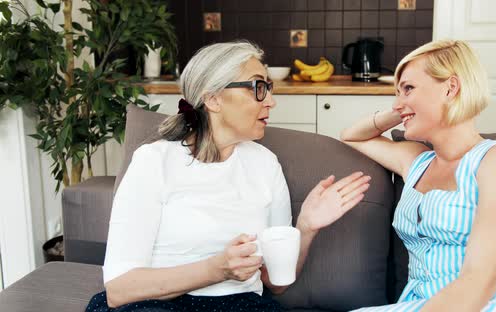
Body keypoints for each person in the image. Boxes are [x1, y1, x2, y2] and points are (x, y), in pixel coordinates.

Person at [85, 41, 371, 312]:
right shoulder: (154, 162)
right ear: (213, 98)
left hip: (242, 304)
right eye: (258, 87)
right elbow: (120, 289)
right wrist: (216, 269)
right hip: (156, 304)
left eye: (268, 88)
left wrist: (306, 227)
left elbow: (277, 284)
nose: (270, 101)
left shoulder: (265, 164)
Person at [340, 40, 496, 311]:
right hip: (426, 303)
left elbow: (479, 281)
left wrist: (409, 106)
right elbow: (352, 136)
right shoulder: (416, 162)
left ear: (451, 87)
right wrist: (402, 109)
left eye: (409, 88)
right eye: (397, 93)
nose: (398, 102)